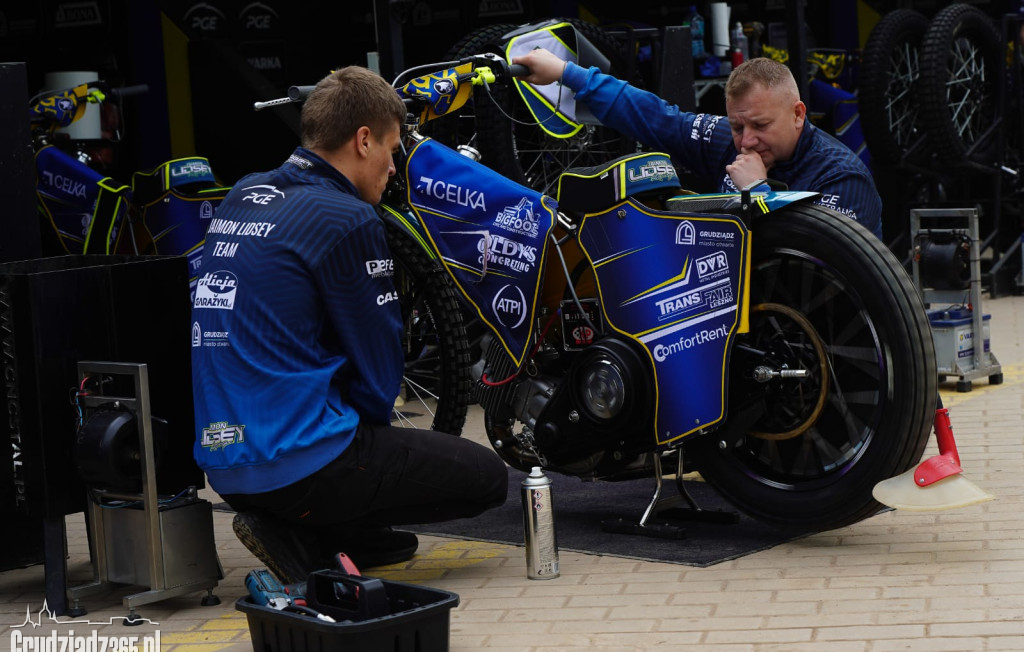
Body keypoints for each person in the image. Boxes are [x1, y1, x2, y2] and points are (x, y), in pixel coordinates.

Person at [191, 66, 508, 584]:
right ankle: (308, 536)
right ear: (363, 140)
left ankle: (340, 530)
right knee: (487, 478)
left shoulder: (243, 193)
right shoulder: (347, 217)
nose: (393, 164)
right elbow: (379, 374)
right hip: (300, 469)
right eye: (392, 147)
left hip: (225, 468)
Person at [512, 50, 883, 239]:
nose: (747, 141)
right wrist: (565, 73)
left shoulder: (842, 179)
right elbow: (655, 117)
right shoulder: (728, 141)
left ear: (799, 114)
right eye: (738, 126)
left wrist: (758, 193)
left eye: (761, 125)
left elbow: (824, 270)